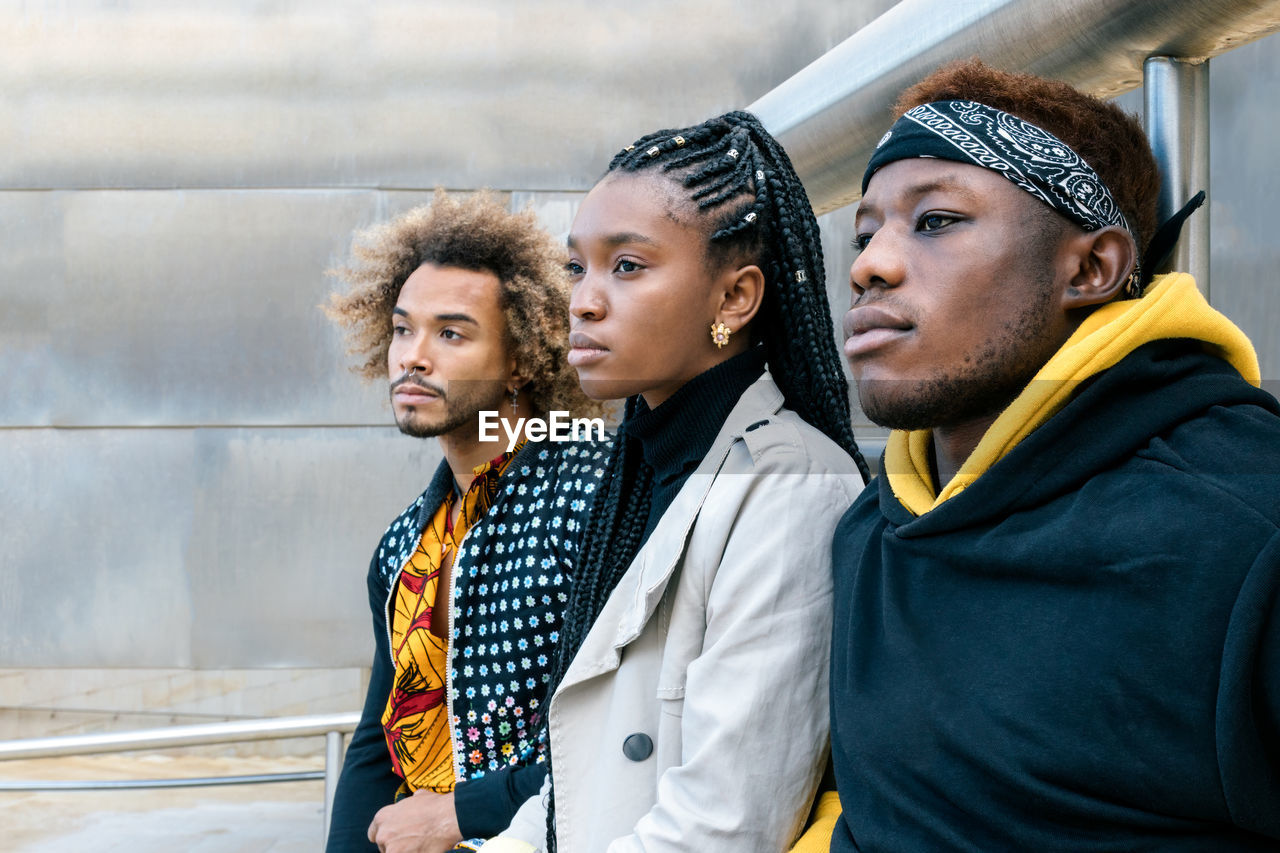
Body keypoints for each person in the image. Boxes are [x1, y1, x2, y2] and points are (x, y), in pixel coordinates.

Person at [829, 59, 1280, 850]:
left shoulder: (1245, 529)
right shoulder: (866, 530)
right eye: (866, 234)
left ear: (1090, 268)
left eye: (934, 221)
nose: (869, 264)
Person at [479, 112, 870, 853]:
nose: (584, 300)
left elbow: (723, 826)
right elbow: (578, 781)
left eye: (627, 266)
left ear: (734, 299)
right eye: (576, 267)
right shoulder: (639, 469)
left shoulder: (791, 484)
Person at [323, 191, 612, 853]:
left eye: (450, 333)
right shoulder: (403, 545)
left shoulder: (593, 490)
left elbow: (619, 731)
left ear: (521, 357)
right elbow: (376, 744)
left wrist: (464, 811)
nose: (412, 357)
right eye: (402, 329)